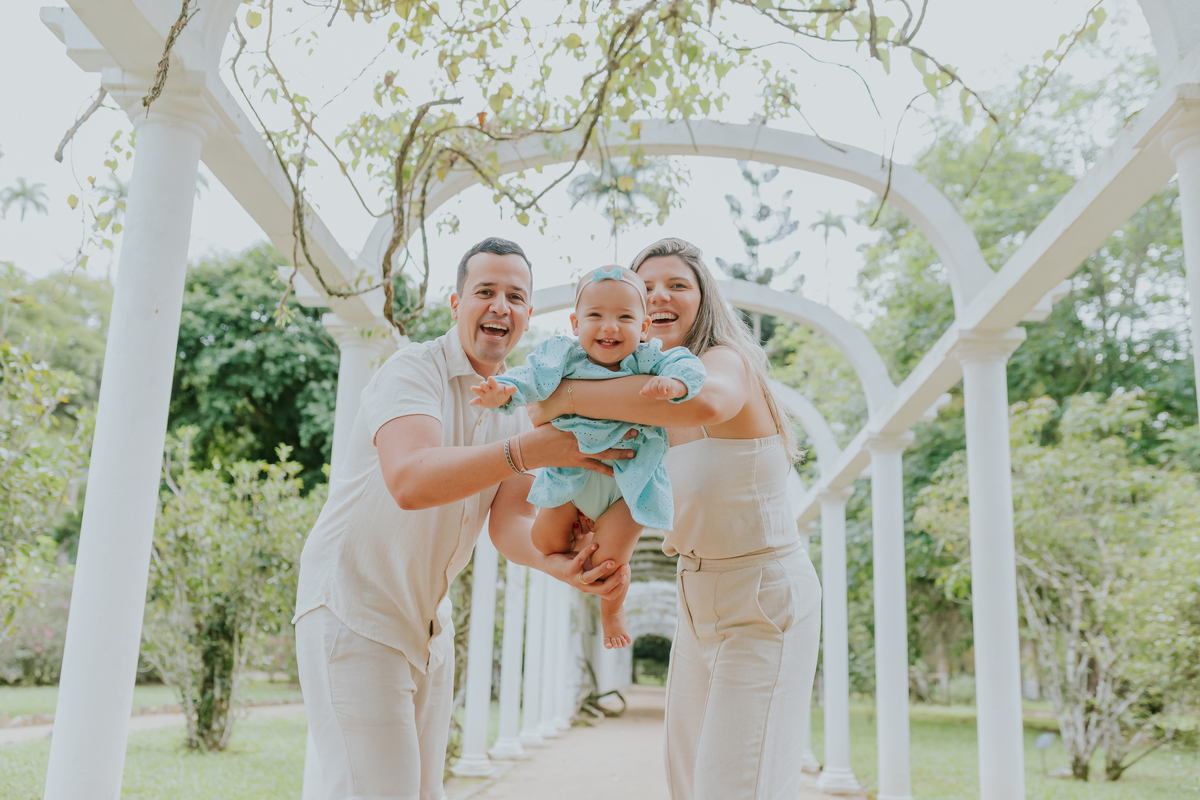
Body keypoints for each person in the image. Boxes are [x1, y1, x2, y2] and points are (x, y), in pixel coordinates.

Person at [292, 237, 632, 800]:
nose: (501, 305)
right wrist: (532, 450)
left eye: (516, 296)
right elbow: (411, 480)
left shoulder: (519, 406)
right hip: (352, 611)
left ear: (527, 316)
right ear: (457, 304)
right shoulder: (411, 371)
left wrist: (565, 567)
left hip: (428, 627)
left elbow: (508, 525)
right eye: (486, 292)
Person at [526, 237, 822, 799]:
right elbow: (622, 496)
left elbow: (708, 403)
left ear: (702, 299)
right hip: (695, 596)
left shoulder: (720, 363)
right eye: (647, 288)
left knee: (734, 786)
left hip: (761, 595)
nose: (660, 295)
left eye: (677, 284)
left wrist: (563, 398)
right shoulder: (639, 406)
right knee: (686, 783)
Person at [470, 265, 706, 649]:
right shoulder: (563, 357)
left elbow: (689, 365)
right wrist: (505, 392)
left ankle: (612, 611)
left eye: (624, 317)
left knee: (606, 563)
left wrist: (676, 383)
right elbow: (529, 379)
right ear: (575, 322)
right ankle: (582, 542)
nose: (609, 327)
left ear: (644, 326)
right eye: (595, 316)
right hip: (570, 478)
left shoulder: (650, 359)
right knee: (546, 543)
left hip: (628, 482)